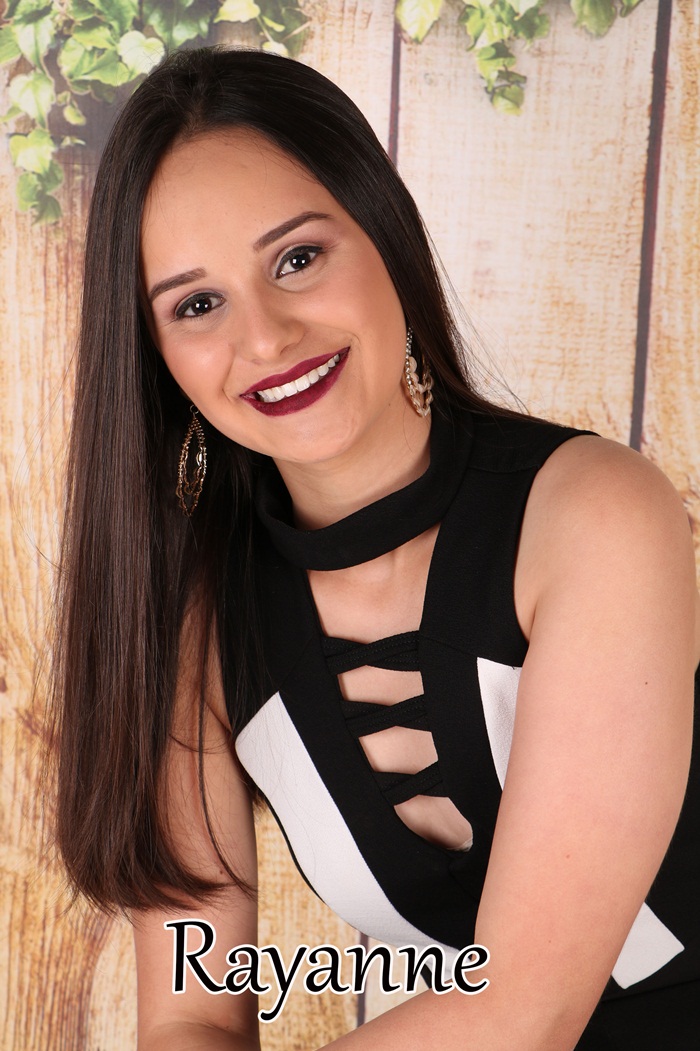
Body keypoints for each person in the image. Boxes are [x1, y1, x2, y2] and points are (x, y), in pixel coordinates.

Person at [49, 46, 699, 1050]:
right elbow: (189, 1012)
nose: (267, 337)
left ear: (382, 230)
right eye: (196, 304)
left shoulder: (594, 514)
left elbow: (525, 1010)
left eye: (297, 258)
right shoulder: (194, 623)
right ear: (156, 353)